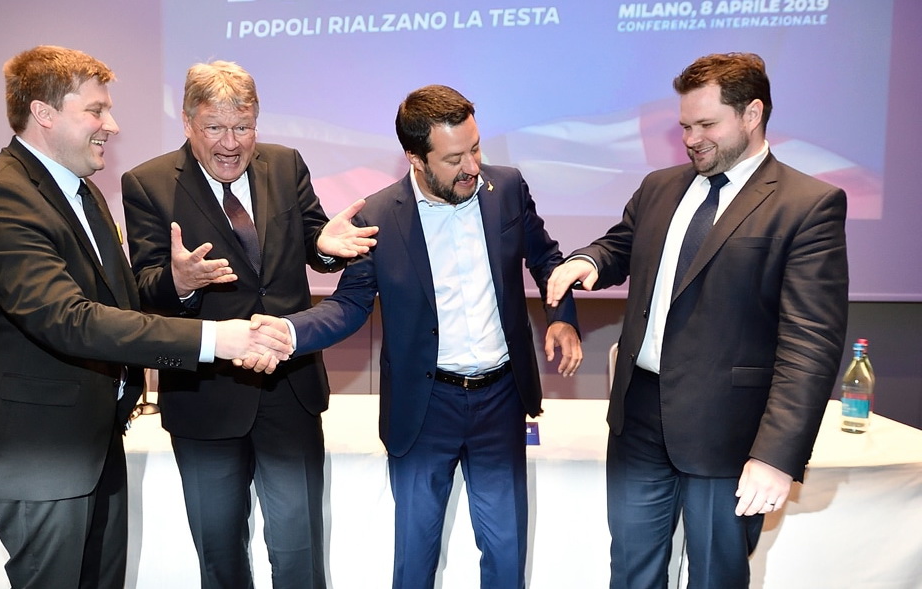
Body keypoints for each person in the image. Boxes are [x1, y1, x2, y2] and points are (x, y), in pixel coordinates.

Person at [0, 45, 294, 589]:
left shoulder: (79, 191)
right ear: (43, 113)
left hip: (91, 439)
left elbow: (118, 298)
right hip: (38, 451)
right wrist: (215, 339)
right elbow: (69, 319)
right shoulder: (1, 200)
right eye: (96, 110)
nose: (111, 125)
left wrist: (177, 284)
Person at [546, 53, 849, 588]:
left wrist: (776, 457)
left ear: (752, 114)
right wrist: (588, 260)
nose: (691, 139)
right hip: (639, 416)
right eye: (685, 126)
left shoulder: (808, 205)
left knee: (716, 577)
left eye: (706, 125)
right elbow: (621, 245)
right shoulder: (660, 187)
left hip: (729, 431)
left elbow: (811, 344)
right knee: (631, 572)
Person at [262, 84, 582, 589]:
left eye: (475, 148)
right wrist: (288, 330)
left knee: (506, 554)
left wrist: (561, 316)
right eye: (454, 159)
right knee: (415, 558)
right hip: (424, 406)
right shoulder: (377, 217)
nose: (472, 167)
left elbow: (547, 259)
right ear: (415, 158)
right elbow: (349, 306)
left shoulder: (507, 188)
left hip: (500, 400)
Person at [121, 60, 377, 589]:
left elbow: (315, 241)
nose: (231, 143)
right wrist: (180, 282)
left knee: (300, 554)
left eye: (244, 127)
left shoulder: (285, 164)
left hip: (289, 388)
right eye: (215, 127)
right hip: (204, 396)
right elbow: (144, 288)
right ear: (187, 122)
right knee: (220, 559)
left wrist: (327, 250)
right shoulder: (147, 184)